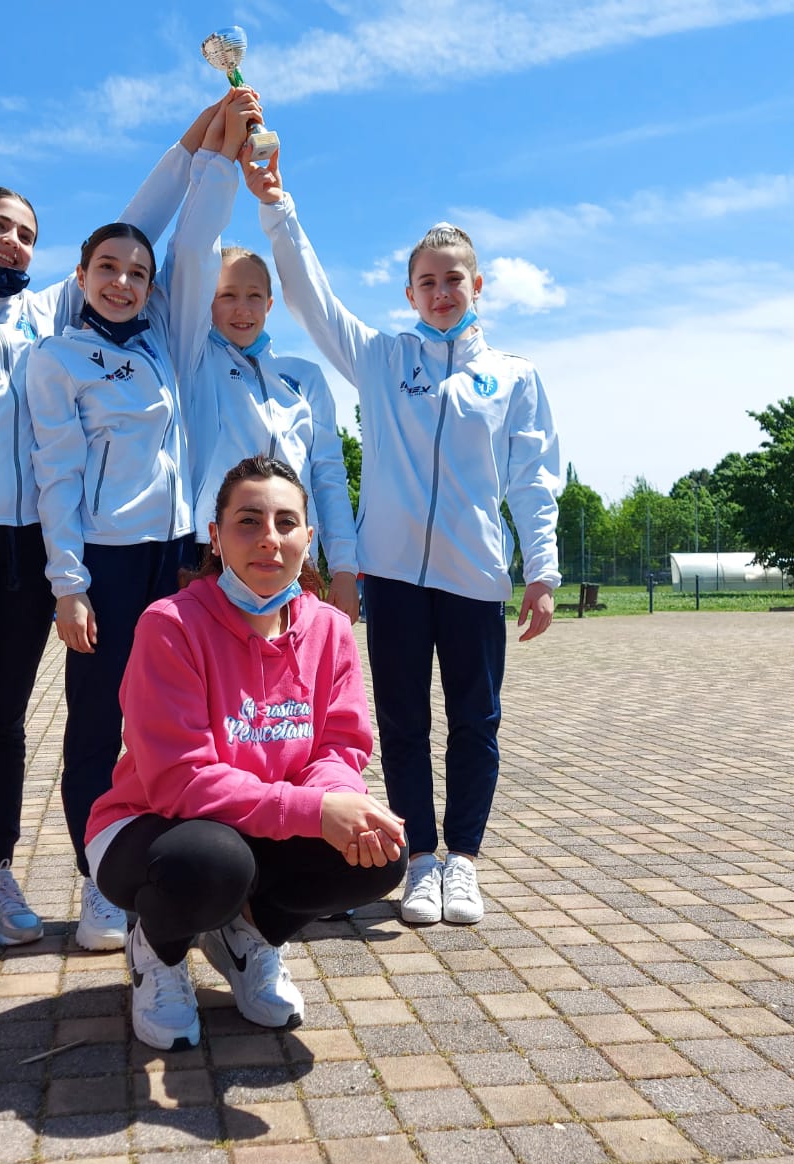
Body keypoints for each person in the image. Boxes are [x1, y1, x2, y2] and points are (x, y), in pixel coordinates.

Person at [0, 103, 221, 956]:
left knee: (11, 718)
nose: (12, 244)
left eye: (25, 234)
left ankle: (1, 868)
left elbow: (137, 229)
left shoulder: (45, 316)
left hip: (35, 546)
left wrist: (196, 141)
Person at [249, 149, 562, 927]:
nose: (441, 292)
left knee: (475, 723)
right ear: (408, 292)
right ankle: (420, 858)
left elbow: (533, 478)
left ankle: (465, 860)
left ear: (476, 285)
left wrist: (542, 571)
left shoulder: (514, 377)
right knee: (402, 723)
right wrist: (278, 207)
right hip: (392, 576)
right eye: (426, 281)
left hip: (474, 578)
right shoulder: (384, 360)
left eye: (453, 279)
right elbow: (312, 298)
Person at [26, 92, 265, 952]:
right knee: (97, 722)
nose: (125, 283)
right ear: (81, 279)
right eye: (108, 272)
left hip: (178, 557)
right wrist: (70, 585)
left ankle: (193, 869)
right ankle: (98, 884)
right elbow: (55, 478)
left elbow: (193, 237)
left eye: (137, 274)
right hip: (106, 562)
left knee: (182, 720)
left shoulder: (162, 338)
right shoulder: (56, 360)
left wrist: (225, 146)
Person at [87, 456, 407, 1050]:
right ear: (216, 535)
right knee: (213, 862)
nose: (269, 539)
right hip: (153, 827)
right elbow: (181, 782)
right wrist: (314, 813)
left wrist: (340, 802)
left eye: (287, 523)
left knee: (381, 853)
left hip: (258, 824)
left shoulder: (331, 629)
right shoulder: (171, 625)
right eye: (248, 521)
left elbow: (340, 746)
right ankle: (157, 949)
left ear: (308, 540)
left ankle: (249, 935)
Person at [172, 151, 359, 620]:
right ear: (206, 303)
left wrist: (344, 567)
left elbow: (328, 477)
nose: (242, 309)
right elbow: (191, 251)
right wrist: (221, 160)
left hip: (293, 552)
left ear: (270, 304)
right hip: (211, 550)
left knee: (288, 672)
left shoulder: (304, 377)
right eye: (227, 296)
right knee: (217, 676)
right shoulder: (192, 361)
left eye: (254, 296)